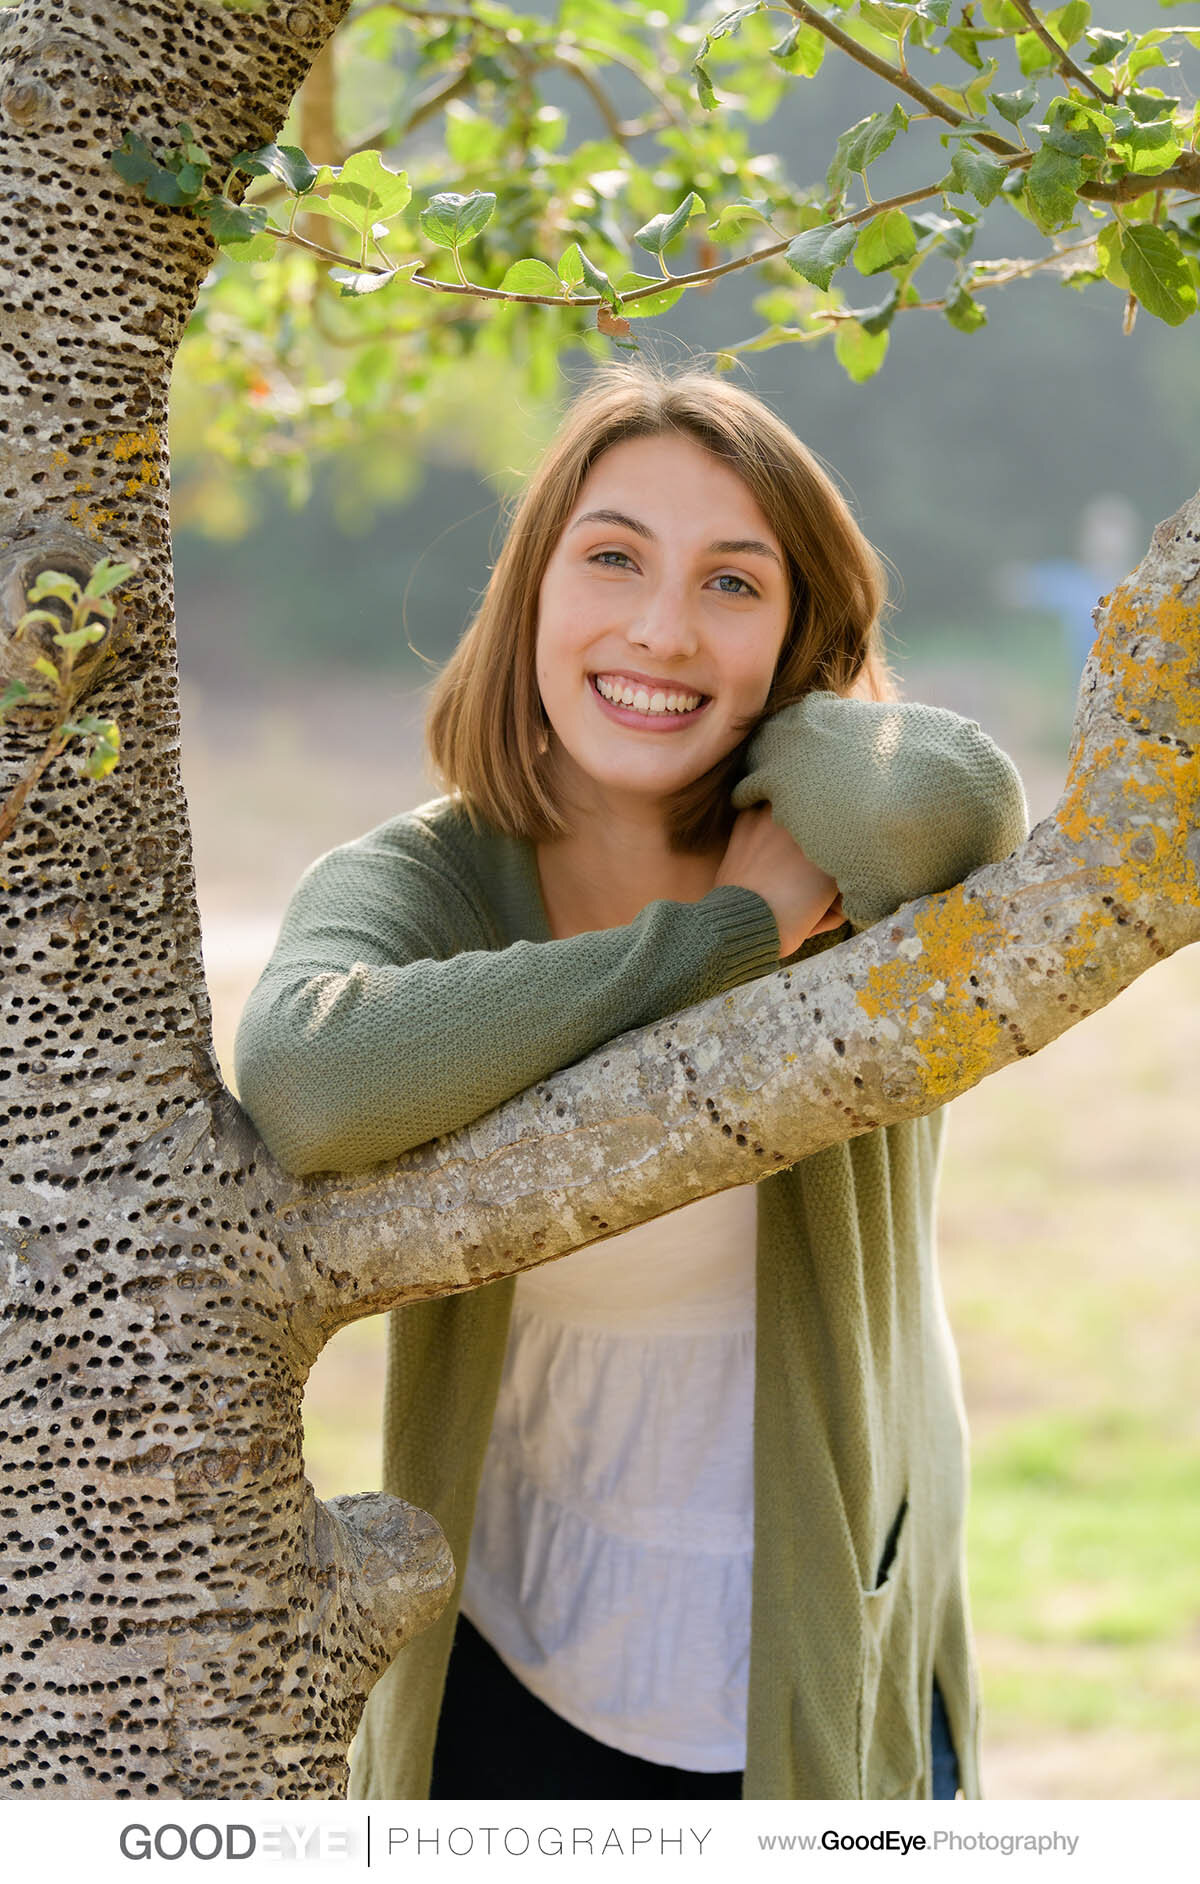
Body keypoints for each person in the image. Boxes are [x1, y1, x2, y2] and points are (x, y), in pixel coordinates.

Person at [234, 363, 1028, 1801]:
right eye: (611, 560)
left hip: (824, 1616)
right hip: (517, 1628)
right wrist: (729, 935)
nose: (661, 627)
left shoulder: (849, 853)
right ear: (532, 589)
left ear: (800, 629)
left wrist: (766, 715)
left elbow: (943, 798)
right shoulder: (430, 877)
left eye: (736, 583)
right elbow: (305, 1078)